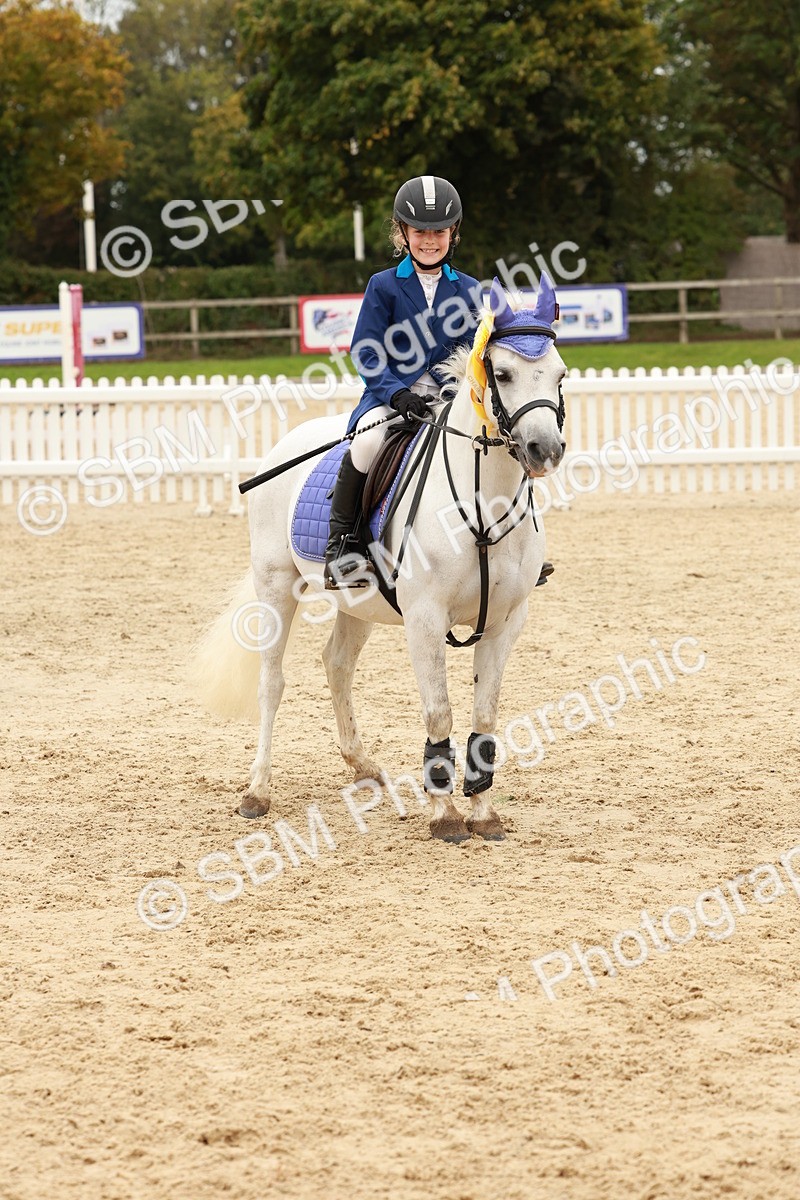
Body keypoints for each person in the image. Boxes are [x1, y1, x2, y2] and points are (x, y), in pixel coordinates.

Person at [324, 175, 481, 588]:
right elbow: (367, 352)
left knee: (493, 445)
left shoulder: (468, 289)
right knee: (367, 443)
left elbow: (472, 353)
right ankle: (344, 544)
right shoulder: (384, 285)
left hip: (451, 399)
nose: (430, 240)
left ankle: (514, 546)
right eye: (420, 232)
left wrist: (453, 393)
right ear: (403, 233)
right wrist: (397, 394)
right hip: (391, 395)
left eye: (439, 232)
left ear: (453, 234)